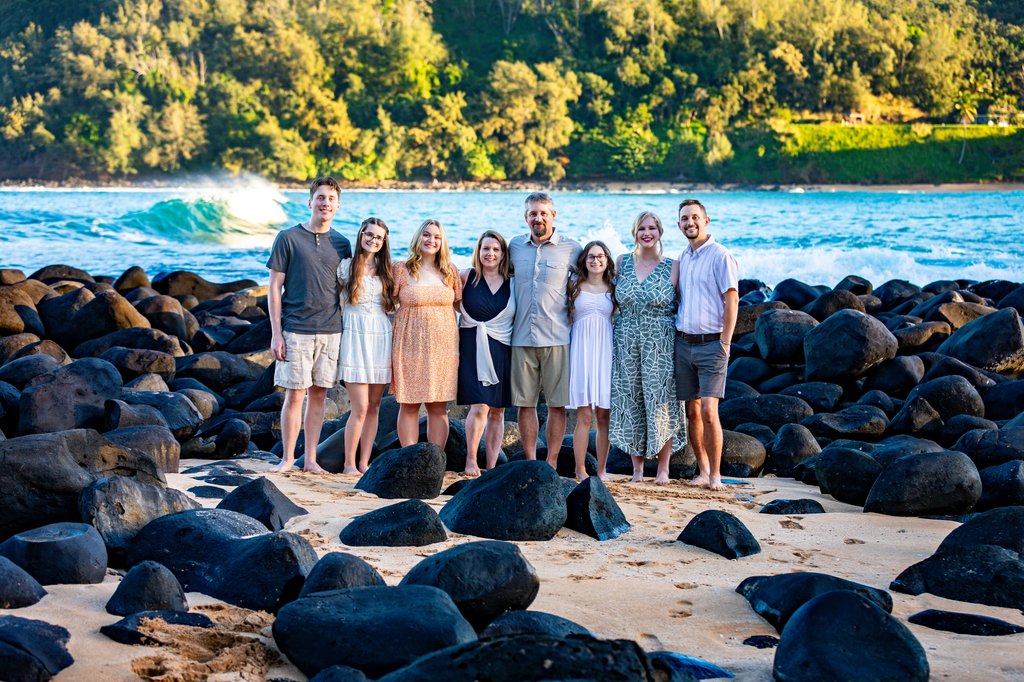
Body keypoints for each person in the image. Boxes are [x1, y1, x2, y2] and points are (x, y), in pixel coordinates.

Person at [267, 176, 352, 473]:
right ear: (310, 202)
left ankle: (311, 459)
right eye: (320, 197)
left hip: (331, 331)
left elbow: (345, 288)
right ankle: (288, 458)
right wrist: (276, 333)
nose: (325, 203)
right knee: (294, 395)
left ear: (338, 205)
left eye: (330, 198)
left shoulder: (342, 243)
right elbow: (274, 288)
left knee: (319, 395)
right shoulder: (288, 238)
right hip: (295, 329)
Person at [610, 211, 686, 484]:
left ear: (660, 232)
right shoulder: (621, 263)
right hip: (626, 339)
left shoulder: (674, 266)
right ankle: (638, 469)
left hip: (661, 342)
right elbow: (605, 296)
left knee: (661, 402)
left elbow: (687, 303)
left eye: (652, 228)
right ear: (634, 232)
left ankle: (663, 468)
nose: (647, 233)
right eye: (642, 228)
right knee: (631, 399)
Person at [508, 192, 582, 467]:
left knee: (557, 405)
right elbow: (489, 270)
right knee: (525, 404)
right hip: (521, 337)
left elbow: (594, 278)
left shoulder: (572, 249)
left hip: (557, 337)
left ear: (553, 215)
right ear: (526, 217)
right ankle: (530, 461)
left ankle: (550, 462)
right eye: (532, 214)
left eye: (542, 213)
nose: (537, 218)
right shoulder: (514, 246)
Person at [675, 199, 739, 491]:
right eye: (685, 219)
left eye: (695, 218)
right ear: (679, 225)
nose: (690, 223)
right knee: (692, 411)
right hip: (684, 344)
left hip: (713, 344)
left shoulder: (721, 256)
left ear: (706, 221)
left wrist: (726, 341)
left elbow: (732, 299)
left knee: (709, 412)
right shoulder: (683, 258)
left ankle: (715, 475)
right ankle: (702, 470)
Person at [392, 219, 462, 448]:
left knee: (438, 405)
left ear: (443, 242)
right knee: (409, 403)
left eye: (437, 237)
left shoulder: (450, 272)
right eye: (427, 235)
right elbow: (385, 304)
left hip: (444, 347)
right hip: (409, 343)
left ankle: (435, 459)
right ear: (418, 238)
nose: (431, 240)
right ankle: (409, 457)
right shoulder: (401, 269)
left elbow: (463, 308)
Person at [336, 217, 395, 475]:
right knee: (359, 407)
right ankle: (349, 462)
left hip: (381, 337)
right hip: (354, 337)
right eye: (369, 234)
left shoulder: (388, 272)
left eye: (378, 237)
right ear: (361, 235)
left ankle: (364, 463)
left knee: (374, 407)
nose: (373, 240)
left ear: (384, 242)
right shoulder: (346, 268)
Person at [457, 231, 515, 476]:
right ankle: (471, 459)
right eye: (485, 249)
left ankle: (491, 465)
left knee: (498, 409)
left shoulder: (512, 282)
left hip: (501, 346)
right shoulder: (465, 276)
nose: (490, 254)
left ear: (503, 254)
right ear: (478, 252)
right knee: (479, 405)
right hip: (471, 346)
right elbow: (447, 301)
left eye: (495, 249)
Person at [566, 241, 615, 481]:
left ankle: (602, 469)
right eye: (591, 257)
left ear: (607, 260)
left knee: (604, 414)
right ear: (584, 261)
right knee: (584, 415)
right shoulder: (574, 286)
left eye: (601, 256)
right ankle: (580, 469)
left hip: (605, 352)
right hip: (581, 352)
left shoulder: (613, 287)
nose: (596, 260)